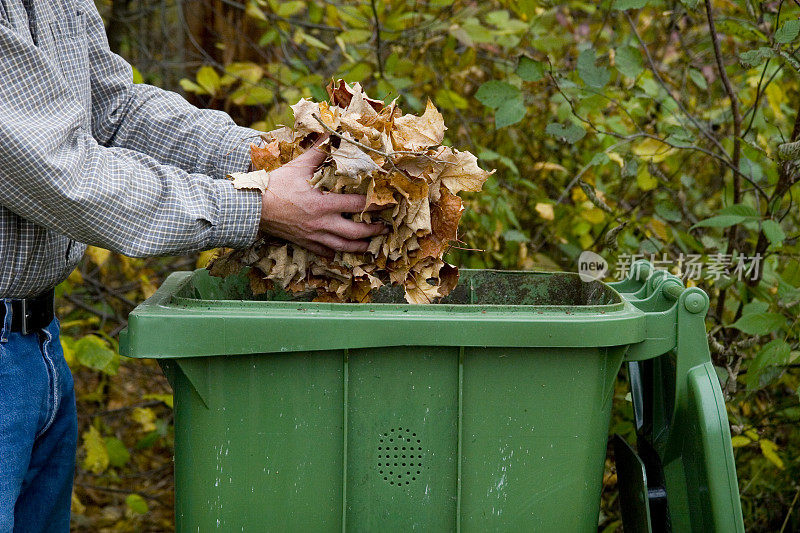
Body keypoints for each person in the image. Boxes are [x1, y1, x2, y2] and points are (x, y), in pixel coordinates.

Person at [0, 0, 385, 530]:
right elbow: (62, 174)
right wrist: (259, 205)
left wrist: (274, 158)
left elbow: (114, 114)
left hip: (36, 343)